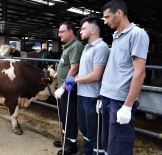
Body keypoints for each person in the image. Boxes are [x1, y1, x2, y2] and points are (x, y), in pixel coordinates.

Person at [100, 0, 149, 154]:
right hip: (108, 97)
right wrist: (103, 96)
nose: (105, 21)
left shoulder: (137, 34)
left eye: (107, 17)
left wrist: (127, 106)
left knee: (119, 148)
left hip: (120, 101)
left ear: (119, 13)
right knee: (107, 145)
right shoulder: (116, 36)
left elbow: (140, 72)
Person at [64, 17, 110, 155]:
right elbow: (85, 72)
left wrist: (75, 79)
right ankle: (87, 152)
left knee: (94, 131)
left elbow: (96, 75)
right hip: (82, 95)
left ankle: (97, 153)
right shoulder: (86, 48)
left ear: (93, 29)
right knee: (84, 129)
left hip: (92, 97)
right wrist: (73, 79)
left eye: (83, 28)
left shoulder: (101, 48)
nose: (80, 32)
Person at [54, 21, 84, 155]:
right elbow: (65, 64)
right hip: (64, 88)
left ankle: (71, 145)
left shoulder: (76, 46)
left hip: (70, 89)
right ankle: (65, 140)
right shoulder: (68, 46)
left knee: (70, 116)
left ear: (70, 31)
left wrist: (63, 87)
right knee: (64, 115)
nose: (59, 34)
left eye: (61, 31)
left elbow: (74, 68)